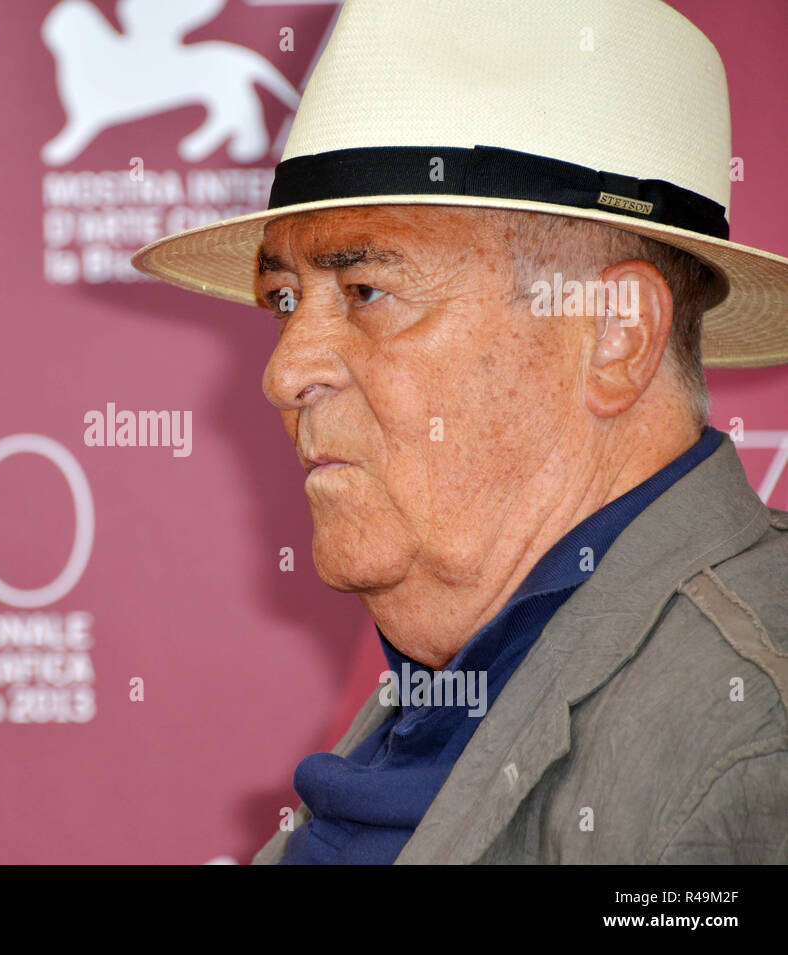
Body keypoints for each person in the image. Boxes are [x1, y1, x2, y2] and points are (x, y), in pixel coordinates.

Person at [131, 0, 788, 863]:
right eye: (286, 299)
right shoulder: (466, 680)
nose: (284, 372)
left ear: (617, 333)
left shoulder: (747, 740)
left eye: (366, 290)